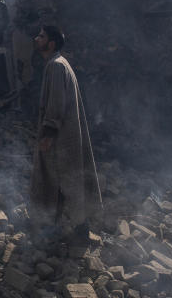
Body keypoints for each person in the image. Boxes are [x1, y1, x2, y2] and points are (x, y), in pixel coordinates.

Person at [30, 25, 102, 235]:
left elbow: (56, 102)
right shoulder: (57, 64)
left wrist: (49, 133)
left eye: (41, 37)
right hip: (64, 136)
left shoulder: (56, 66)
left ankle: (79, 230)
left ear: (51, 43)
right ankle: (55, 226)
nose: (36, 39)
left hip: (62, 139)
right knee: (60, 182)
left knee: (64, 180)